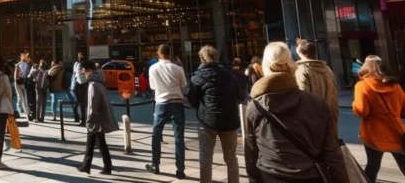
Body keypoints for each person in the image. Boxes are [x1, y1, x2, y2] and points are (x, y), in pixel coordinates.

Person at [245, 42, 347, 183]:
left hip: (270, 175)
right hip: (310, 174)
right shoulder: (317, 103)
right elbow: (331, 152)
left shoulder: (255, 106)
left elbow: (251, 153)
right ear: (291, 64)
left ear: (265, 66)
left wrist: (253, 179)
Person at [352, 55, 405, 183]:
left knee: (372, 167)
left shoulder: (361, 85)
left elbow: (362, 111)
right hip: (397, 132)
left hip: (373, 133)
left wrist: (354, 105)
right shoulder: (395, 85)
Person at [188, 45, 242, 183]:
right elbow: (238, 95)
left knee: (206, 156)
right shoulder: (229, 74)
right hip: (230, 119)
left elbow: (193, 100)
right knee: (231, 158)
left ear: (201, 58)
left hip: (208, 121)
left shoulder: (197, 78)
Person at [146, 44, 187, 179]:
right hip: (177, 102)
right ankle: (180, 169)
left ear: (158, 54)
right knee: (179, 137)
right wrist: (179, 66)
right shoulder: (177, 68)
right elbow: (183, 85)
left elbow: (152, 86)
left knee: (156, 134)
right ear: (170, 55)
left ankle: (155, 164)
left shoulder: (153, 68)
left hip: (161, 102)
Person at [77, 61, 118, 175]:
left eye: (82, 69)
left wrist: (89, 118)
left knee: (98, 143)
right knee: (93, 142)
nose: (81, 72)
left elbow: (92, 104)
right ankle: (87, 165)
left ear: (87, 70)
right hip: (98, 117)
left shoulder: (93, 84)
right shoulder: (98, 81)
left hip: (96, 118)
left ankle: (105, 167)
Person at [294, 38, 340, 133]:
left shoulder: (301, 70)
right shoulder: (327, 69)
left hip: (313, 119)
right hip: (331, 115)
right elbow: (334, 92)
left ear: (300, 53)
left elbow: (303, 97)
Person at [71, 52, 88, 124]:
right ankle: (77, 117)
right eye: (78, 55)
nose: (79, 56)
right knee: (78, 102)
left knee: (82, 103)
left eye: (81, 55)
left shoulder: (85, 64)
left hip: (84, 84)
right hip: (78, 83)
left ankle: (83, 119)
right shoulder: (76, 64)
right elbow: (74, 74)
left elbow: (86, 74)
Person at [14, 53, 32, 119]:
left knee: (21, 97)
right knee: (23, 97)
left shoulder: (19, 66)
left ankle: (23, 109)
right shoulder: (20, 66)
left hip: (18, 82)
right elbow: (23, 74)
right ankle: (25, 111)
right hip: (20, 82)